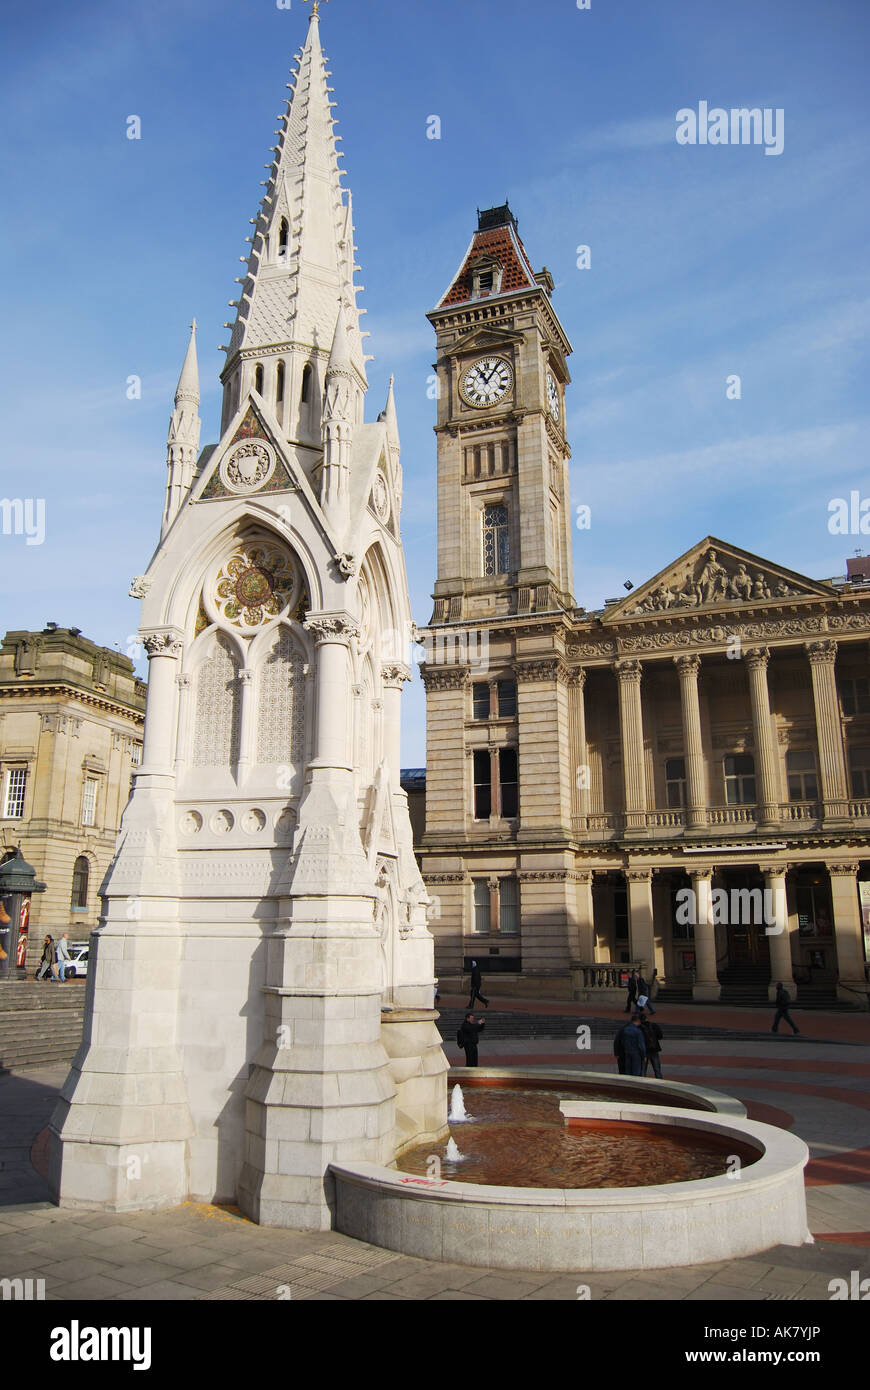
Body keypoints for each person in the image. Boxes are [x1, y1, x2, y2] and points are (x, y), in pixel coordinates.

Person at [638, 1010, 664, 1078]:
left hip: (644, 1051)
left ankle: (642, 1085)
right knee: (657, 1070)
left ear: (640, 1020)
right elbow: (660, 1036)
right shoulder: (654, 1025)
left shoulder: (639, 1028)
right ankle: (659, 1082)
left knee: (643, 1070)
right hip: (654, 1049)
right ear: (646, 1018)